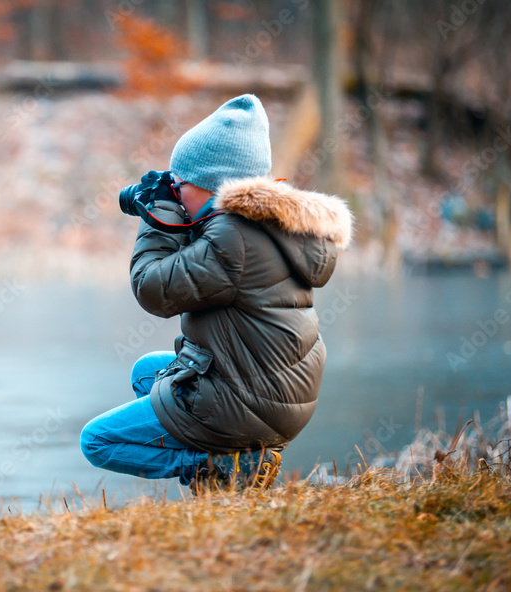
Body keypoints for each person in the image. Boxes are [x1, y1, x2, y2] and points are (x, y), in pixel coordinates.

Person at [80, 94, 354, 491]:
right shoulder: (262, 225)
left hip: (252, 402)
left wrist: (156, 220)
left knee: (98, 441)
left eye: (180, 182)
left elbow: (152, 289)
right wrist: (177, 216)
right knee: (146, 372)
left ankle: (223, 466)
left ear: (210, 186)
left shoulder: (233, 239)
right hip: (275, 390)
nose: (173, 189)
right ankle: (229, 462)